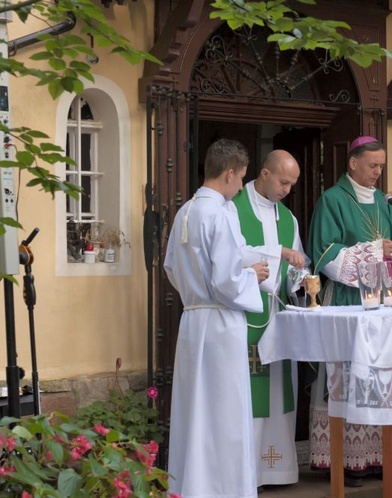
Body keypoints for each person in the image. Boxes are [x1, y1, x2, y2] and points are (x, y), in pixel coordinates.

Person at [306, 136, 392, 486]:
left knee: (381, 381)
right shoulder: (332, 200)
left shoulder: (387, 204)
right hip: (346, 302)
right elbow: (323, 254)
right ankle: (339, 462)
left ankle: (378, 457)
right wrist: (373, 250)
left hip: (383, 305)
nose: (378, 172)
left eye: (381, 166)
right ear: (353, 163)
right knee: (346, 379)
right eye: (373, 165)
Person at [164, 138, 270, 498]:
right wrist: (251, 276)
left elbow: (171, 267)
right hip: (222, 323)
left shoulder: (187, 211)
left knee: (195, 410)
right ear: (228, 174)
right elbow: (227, 280)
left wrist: (198, 292)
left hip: (194, 319)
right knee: (225, 413)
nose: (241, 186)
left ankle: (193, 487)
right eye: (241, 178)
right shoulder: (219, 213)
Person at [233, 149, 308, 488]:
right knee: (248, 395)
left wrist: (301, 279)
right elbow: (227, 260)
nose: (287, 190)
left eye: (292, 185)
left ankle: (275, 469)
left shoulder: (288, 219)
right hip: (244, 316)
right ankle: (245, 474)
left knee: (279, 391)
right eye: (283, 182)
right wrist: (275, 258)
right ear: (264, 174)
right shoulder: (232, 209)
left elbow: (295, 267)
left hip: (277, 315)